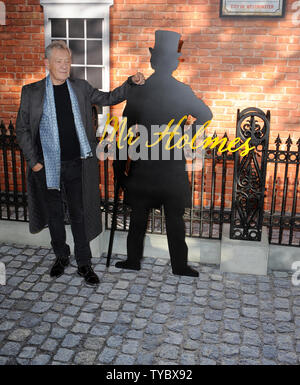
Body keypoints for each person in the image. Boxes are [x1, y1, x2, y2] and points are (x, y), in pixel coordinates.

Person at [16, 40, 144, 286]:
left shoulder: (80, 88)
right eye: (59, 62)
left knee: (79, 214)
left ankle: (84, 263)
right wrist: (34, 163)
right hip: (46, 166)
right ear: (47, 64)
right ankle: (61, 256)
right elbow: (22, 129)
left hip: (76, 164)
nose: (65, 66)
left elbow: (108, 98)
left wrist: (129, 83)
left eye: (67, 62)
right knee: (54, 216)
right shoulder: (31, 92)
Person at [115, 30, 213, 277]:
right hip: (171, 169)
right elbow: (206, 115)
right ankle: (179, 266)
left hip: (143, 169)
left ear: (153, 61)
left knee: (137, 220)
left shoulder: (138, 90)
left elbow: (125, 132)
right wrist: (188, 137)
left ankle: (133, 261)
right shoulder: (182, 90)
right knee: (174, 222)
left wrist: (119, 170)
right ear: (173, 63)